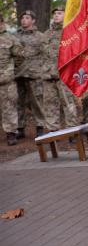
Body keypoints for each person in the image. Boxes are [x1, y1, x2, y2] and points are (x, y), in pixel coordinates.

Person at [14, 10, 52, 137]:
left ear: (33, 21)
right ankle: (20, 128)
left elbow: (47, 54)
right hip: (18, 74)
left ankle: (40, 126)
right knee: (19, 102)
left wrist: (44, 70)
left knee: (37, 101)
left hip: (34, 74)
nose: (24, 20)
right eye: (23, 18)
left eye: (27, 18)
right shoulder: (15, 36)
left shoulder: (40, 37)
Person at [45, 7, 79, 129]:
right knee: (50, 104)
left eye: (59, 13)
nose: (56, 16)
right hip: (48, 75)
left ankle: (72, 129)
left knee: (68, 102)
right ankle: (52, 130)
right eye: (54, 13)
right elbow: (42, 54)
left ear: (66, 15)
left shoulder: (70, 32)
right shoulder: (47, 34)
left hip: (65, 74)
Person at [0, 15, 21, 145]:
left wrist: (11, 70)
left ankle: (11, 134)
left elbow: (20, 57)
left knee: (9, 107)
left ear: (2, 22)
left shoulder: (10, 38)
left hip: (6, 80)